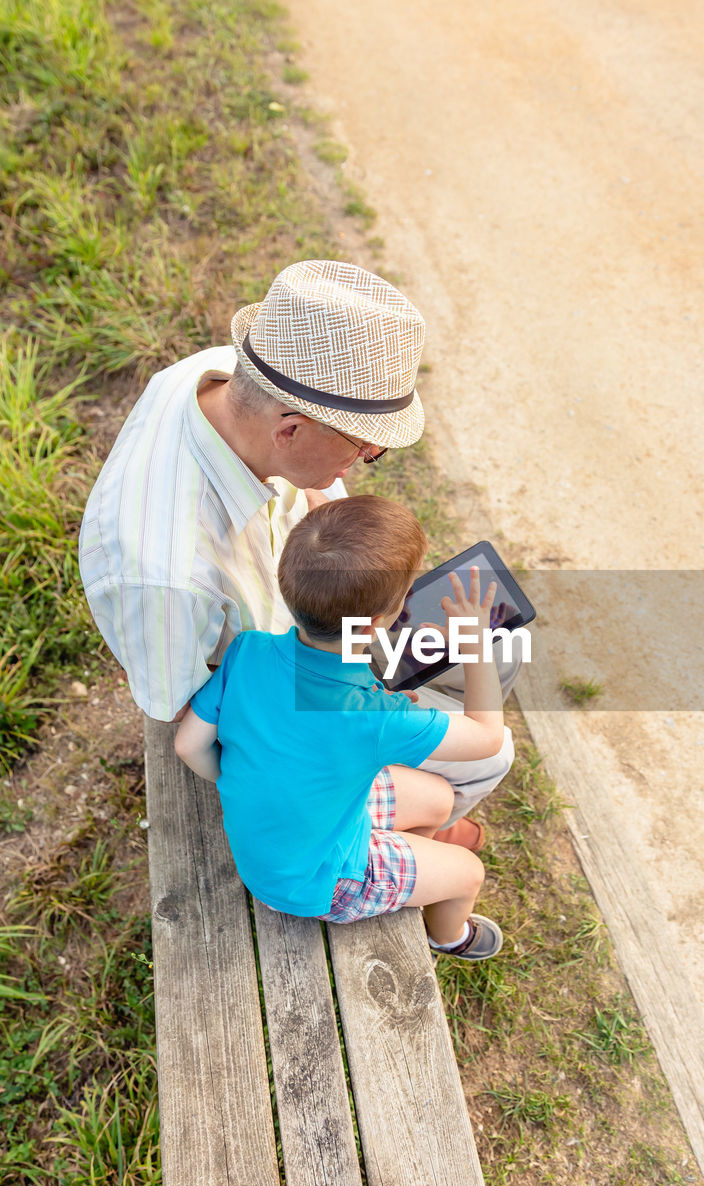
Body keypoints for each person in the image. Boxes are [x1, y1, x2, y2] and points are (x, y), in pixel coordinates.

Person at [79, 258, 516, 835]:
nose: (361, 465)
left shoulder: (234, 377)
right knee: (493, 751)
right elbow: (187, 714)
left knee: (502, 648)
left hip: (320, 618)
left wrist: (348, 564)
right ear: (289, 431)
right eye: (364, 449)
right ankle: (423, 826)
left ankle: (424, 807)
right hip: (292, 697)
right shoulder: (161, 574)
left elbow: (320, 493)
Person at [174, 495, 505, 960]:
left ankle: (405, 862)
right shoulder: (374, 717)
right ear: (376, 624)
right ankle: (448, 936)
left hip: (276, 844)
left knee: (440, 797)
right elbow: (487, 737)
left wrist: (239, 778)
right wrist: (476, 644)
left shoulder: (248, 649)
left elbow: (189, 745)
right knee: (468, 872)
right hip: (315, 881)